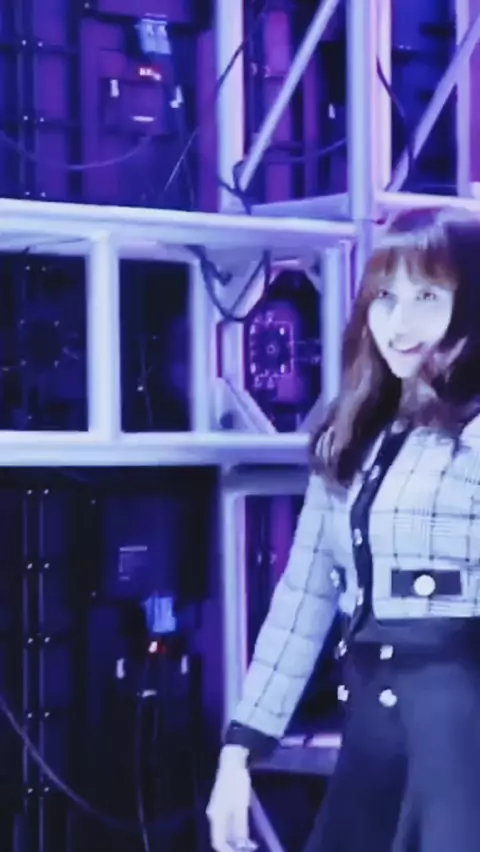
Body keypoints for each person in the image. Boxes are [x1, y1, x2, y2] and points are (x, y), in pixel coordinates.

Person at [206, 206, 480, 852]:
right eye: (385, 297)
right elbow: (302, 599)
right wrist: (241, 749)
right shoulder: (354, 432)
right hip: (372, 739)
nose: (399, 323)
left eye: (428, 297)